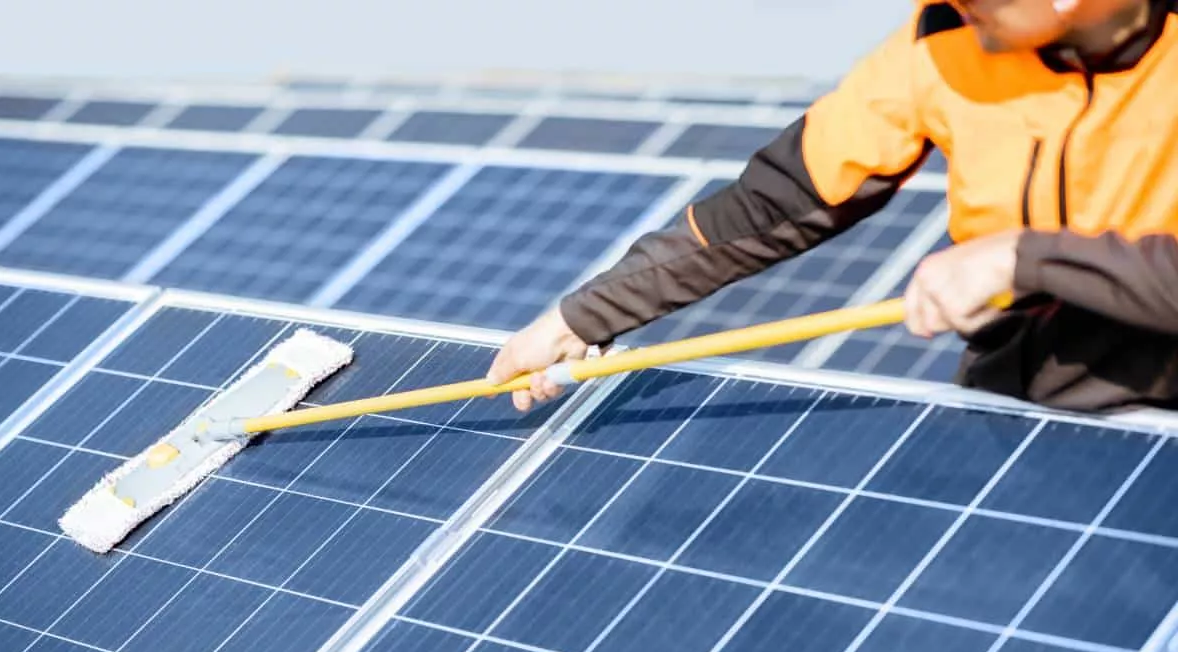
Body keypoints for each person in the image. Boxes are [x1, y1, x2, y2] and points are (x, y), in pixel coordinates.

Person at [487, 0, 1178, 413]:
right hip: (1007, 413)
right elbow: (775, 203)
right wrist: (581, 315)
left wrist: (1026, 260)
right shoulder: (941, 39)